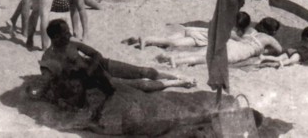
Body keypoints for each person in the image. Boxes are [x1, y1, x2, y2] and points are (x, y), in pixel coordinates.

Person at [35, 20, 194, 110]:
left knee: (142, 71)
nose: (69, 34)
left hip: (99, 67)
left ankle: (175, 76)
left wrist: (90, 69)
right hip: (94, 81)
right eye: (65, 33)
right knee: (139, 85)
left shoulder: (72, 45)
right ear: (55, 37)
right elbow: (51, 83)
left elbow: (96, 54)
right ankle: (177, 82)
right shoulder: (50, 58)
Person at [162, 17, 283, 68]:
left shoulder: (250, 29)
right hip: (240, 51)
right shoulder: (268, 39)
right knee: (207, 59)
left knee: (204, 52)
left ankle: (173, 56)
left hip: (232, 43)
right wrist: (264, 51)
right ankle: (177, 61)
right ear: (272, 31)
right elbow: (279, 50)